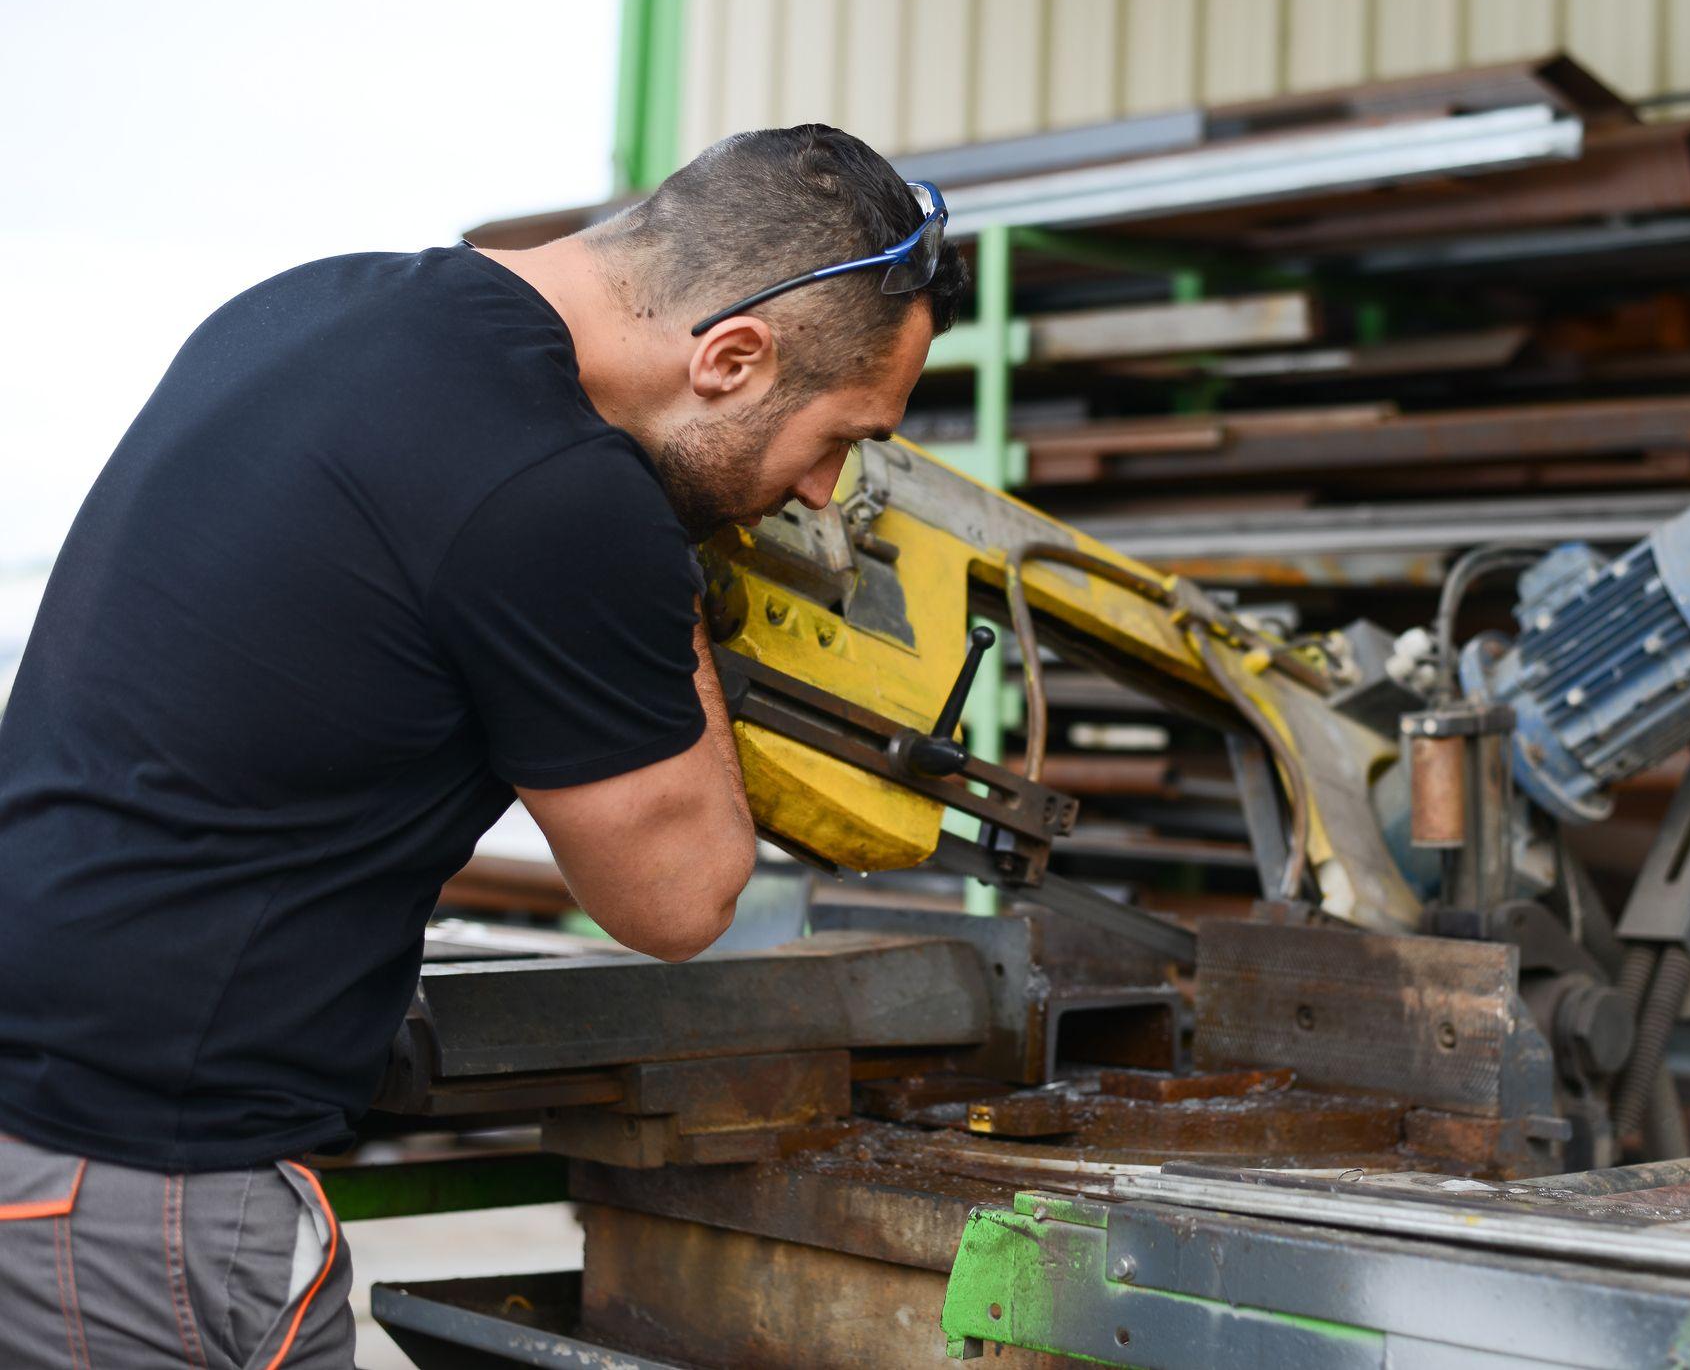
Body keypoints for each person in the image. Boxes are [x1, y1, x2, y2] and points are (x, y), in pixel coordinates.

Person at [0, 123, 967, 1369]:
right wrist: (672, 587)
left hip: (59, 1131)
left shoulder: (322, 303)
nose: (827, 494)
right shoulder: (561, 489)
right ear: (732, 357)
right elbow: (680, 899)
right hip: (141, 1194)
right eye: (839, 435)